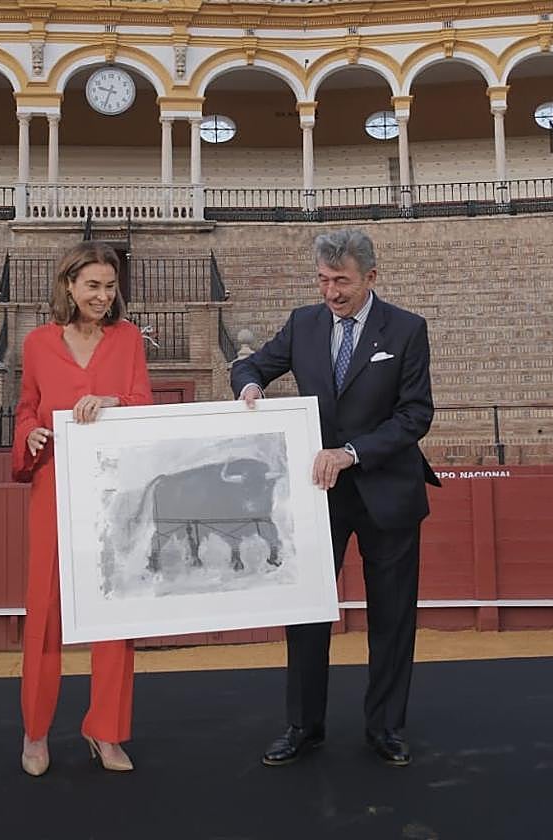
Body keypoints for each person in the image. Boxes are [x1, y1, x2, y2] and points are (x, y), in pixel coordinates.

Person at [230, 228, 438, 767]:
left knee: (392, 615)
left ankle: (386, 726)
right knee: (306, 612)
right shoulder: (303, 323)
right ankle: (304, 725)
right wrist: (250, 386)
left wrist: (351, 451)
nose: (330, 292)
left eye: (341, 281)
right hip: (317, 493)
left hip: (386, 489)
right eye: (323, 280)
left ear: (371, 276)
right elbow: (250, 365)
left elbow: (415, 414)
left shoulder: (408, 329)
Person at [12, 241, 154, 777]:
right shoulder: (37, 343)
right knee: (43, 611)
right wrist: (28, 435)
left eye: (110, 286)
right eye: (92, 285)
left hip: (116, 494)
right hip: (52, 488)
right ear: (68, 285)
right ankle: (35, 732)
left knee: (115, 611)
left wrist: (116, 403)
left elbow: (144, 404)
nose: (102, 295)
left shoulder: (128, 339)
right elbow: (26, 407)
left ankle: (107, 731)